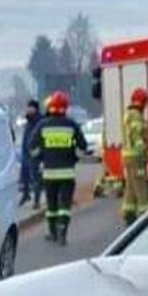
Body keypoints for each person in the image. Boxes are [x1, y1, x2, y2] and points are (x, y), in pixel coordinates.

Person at [27, 91, 89, 246]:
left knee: (52, 204)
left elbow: (32, 147)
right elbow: (83, 147)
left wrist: (41, 157)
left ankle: (52, 232)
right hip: (67, 173)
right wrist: (74, 158)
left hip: (49, 173)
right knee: (65, 205)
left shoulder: (43, 125)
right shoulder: (72, 125)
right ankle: (63, 233)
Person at [122, 88, 148, 224]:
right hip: (136, 157)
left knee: (131, 186)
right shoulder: (136, 115)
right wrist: (144, 147)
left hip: (129, 157)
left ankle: (129, 213)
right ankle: (145, 216)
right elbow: (136, 134)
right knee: (141, 187)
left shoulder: (129, 113)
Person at [19, 99, 42, 206]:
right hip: (25, 153)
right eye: (27, 107)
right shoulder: (28, 121)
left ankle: (36, 201)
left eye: (30, 107)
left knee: (35, 177)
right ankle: (26, 195)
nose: (27, 109)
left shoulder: (39, 120)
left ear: (35, 109)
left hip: (34, 153)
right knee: (25, 176)